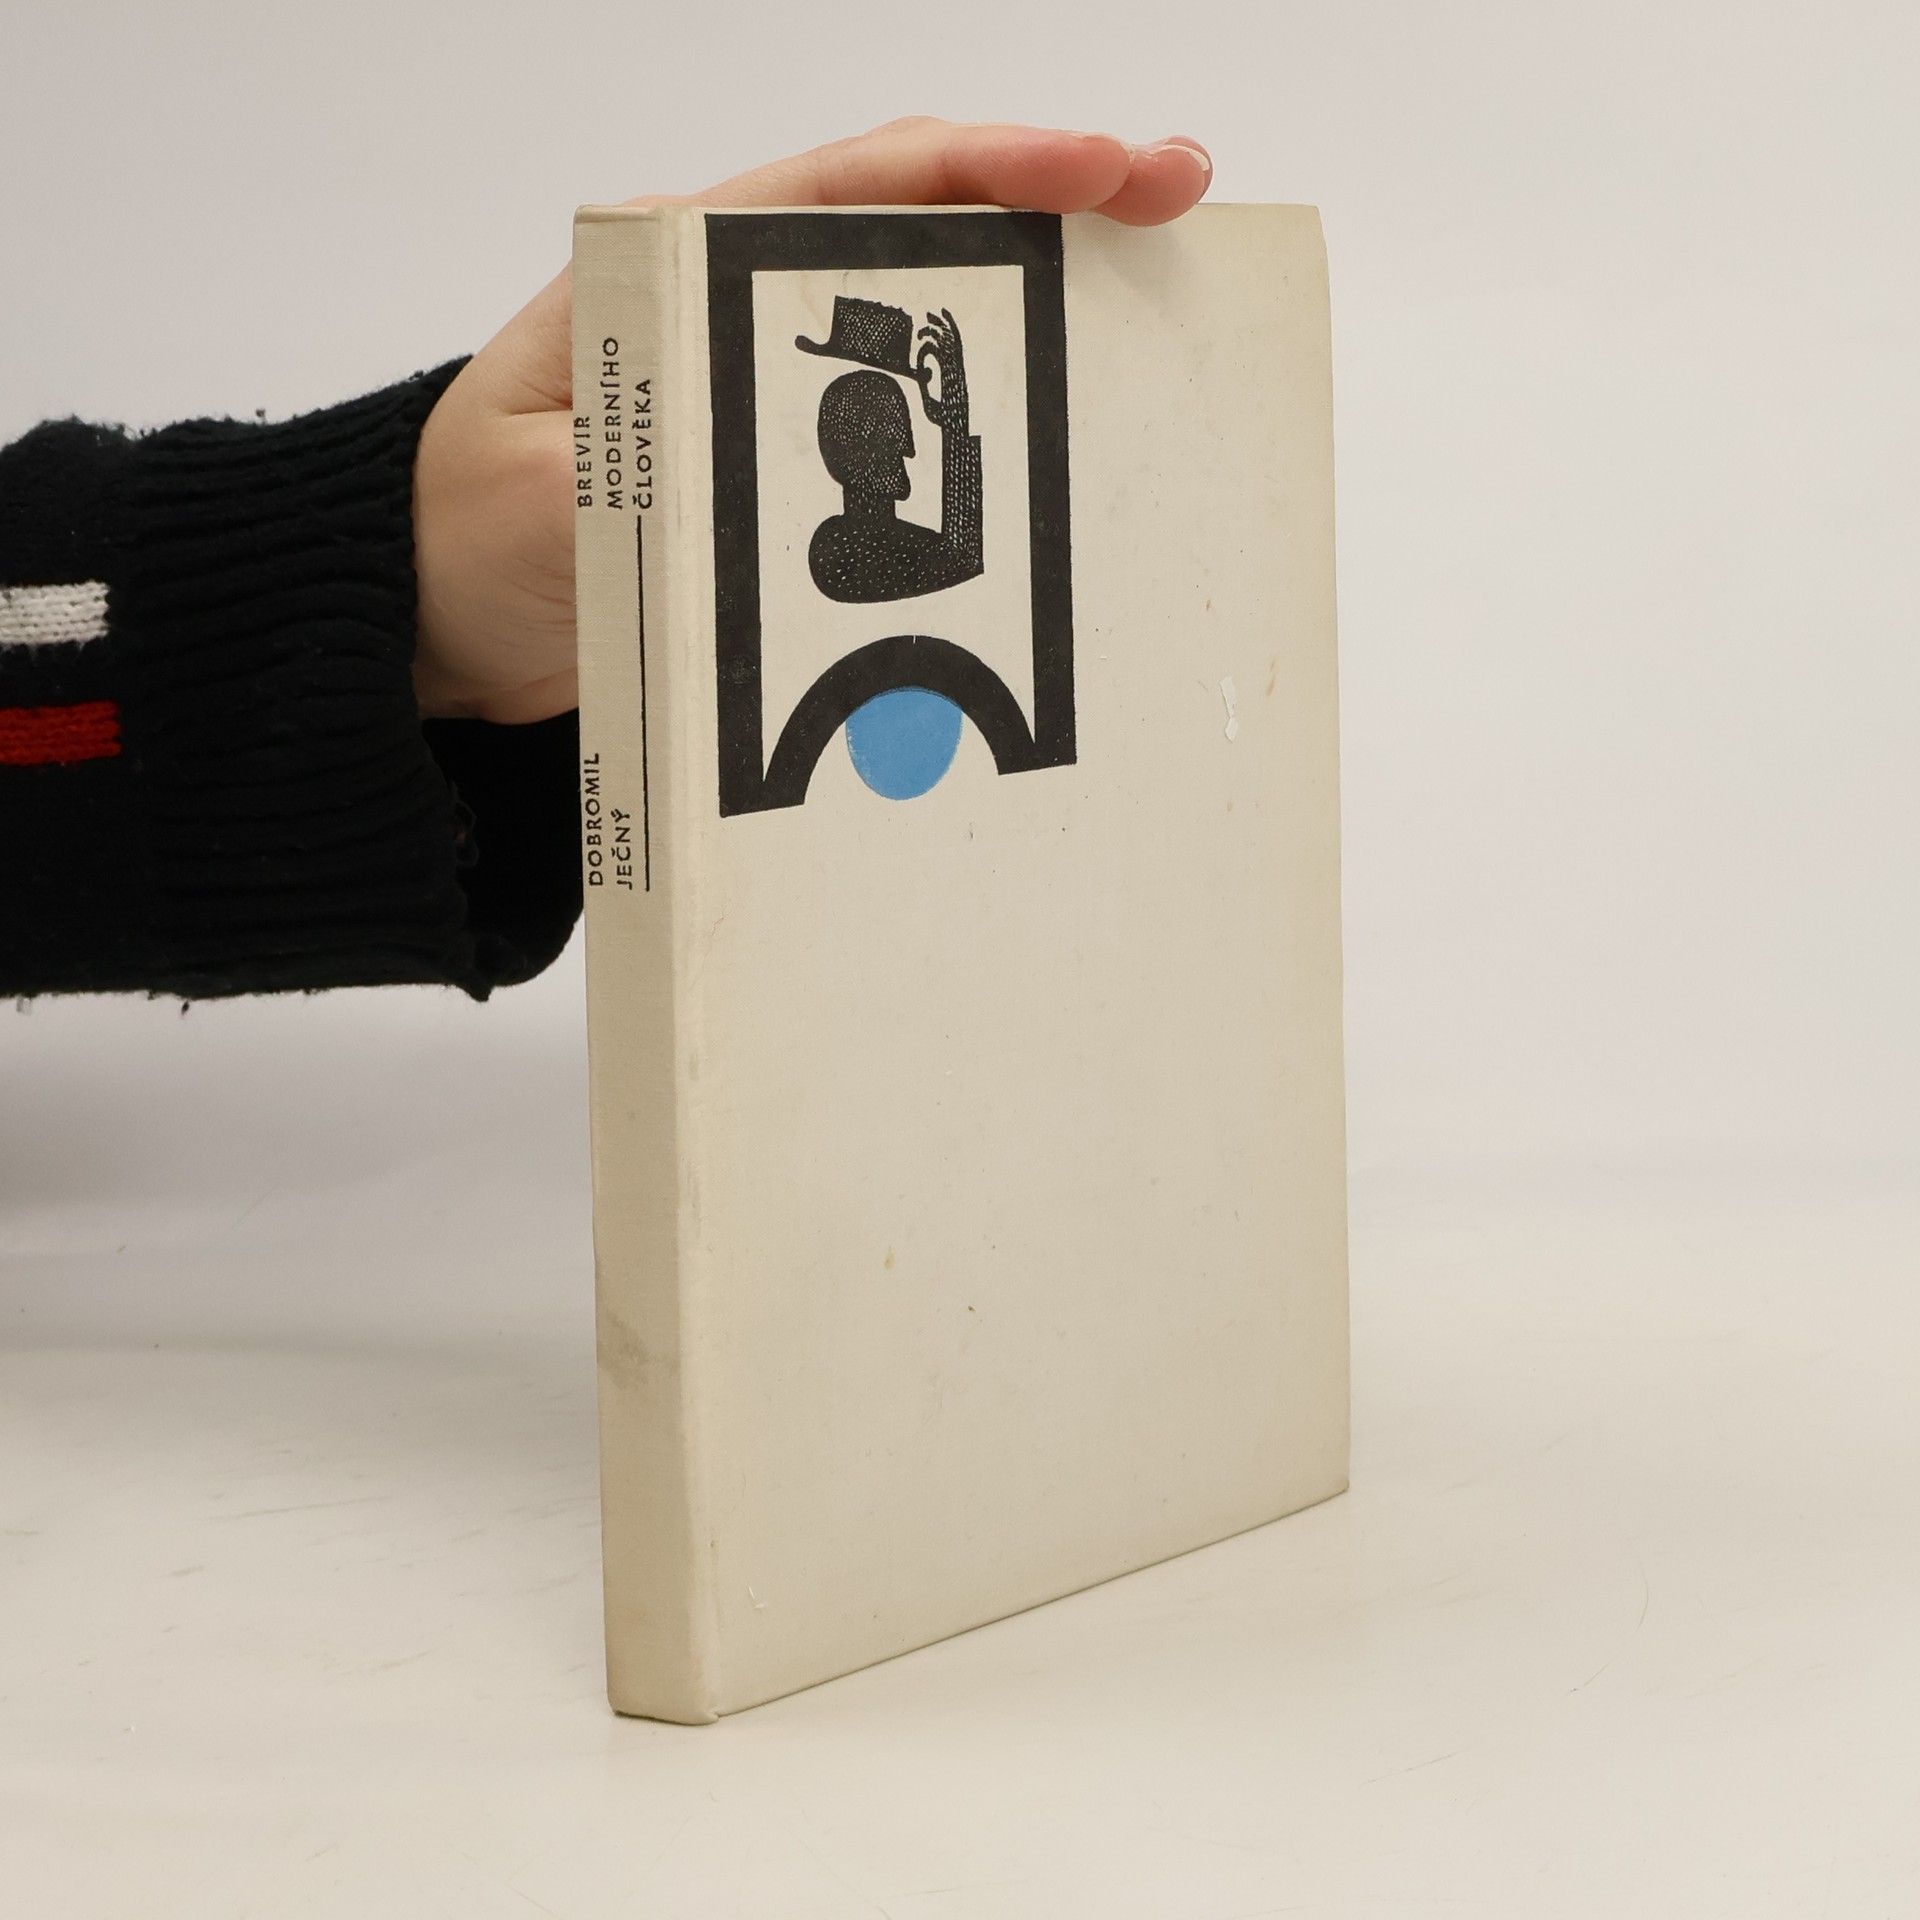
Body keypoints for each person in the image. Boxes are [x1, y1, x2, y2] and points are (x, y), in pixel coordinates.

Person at [0, 119, 1211, 1001]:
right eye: (885, 438)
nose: (898, 460)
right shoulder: (846, 544)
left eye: (899, 439)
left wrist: (406, 581)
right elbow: (951, 554)